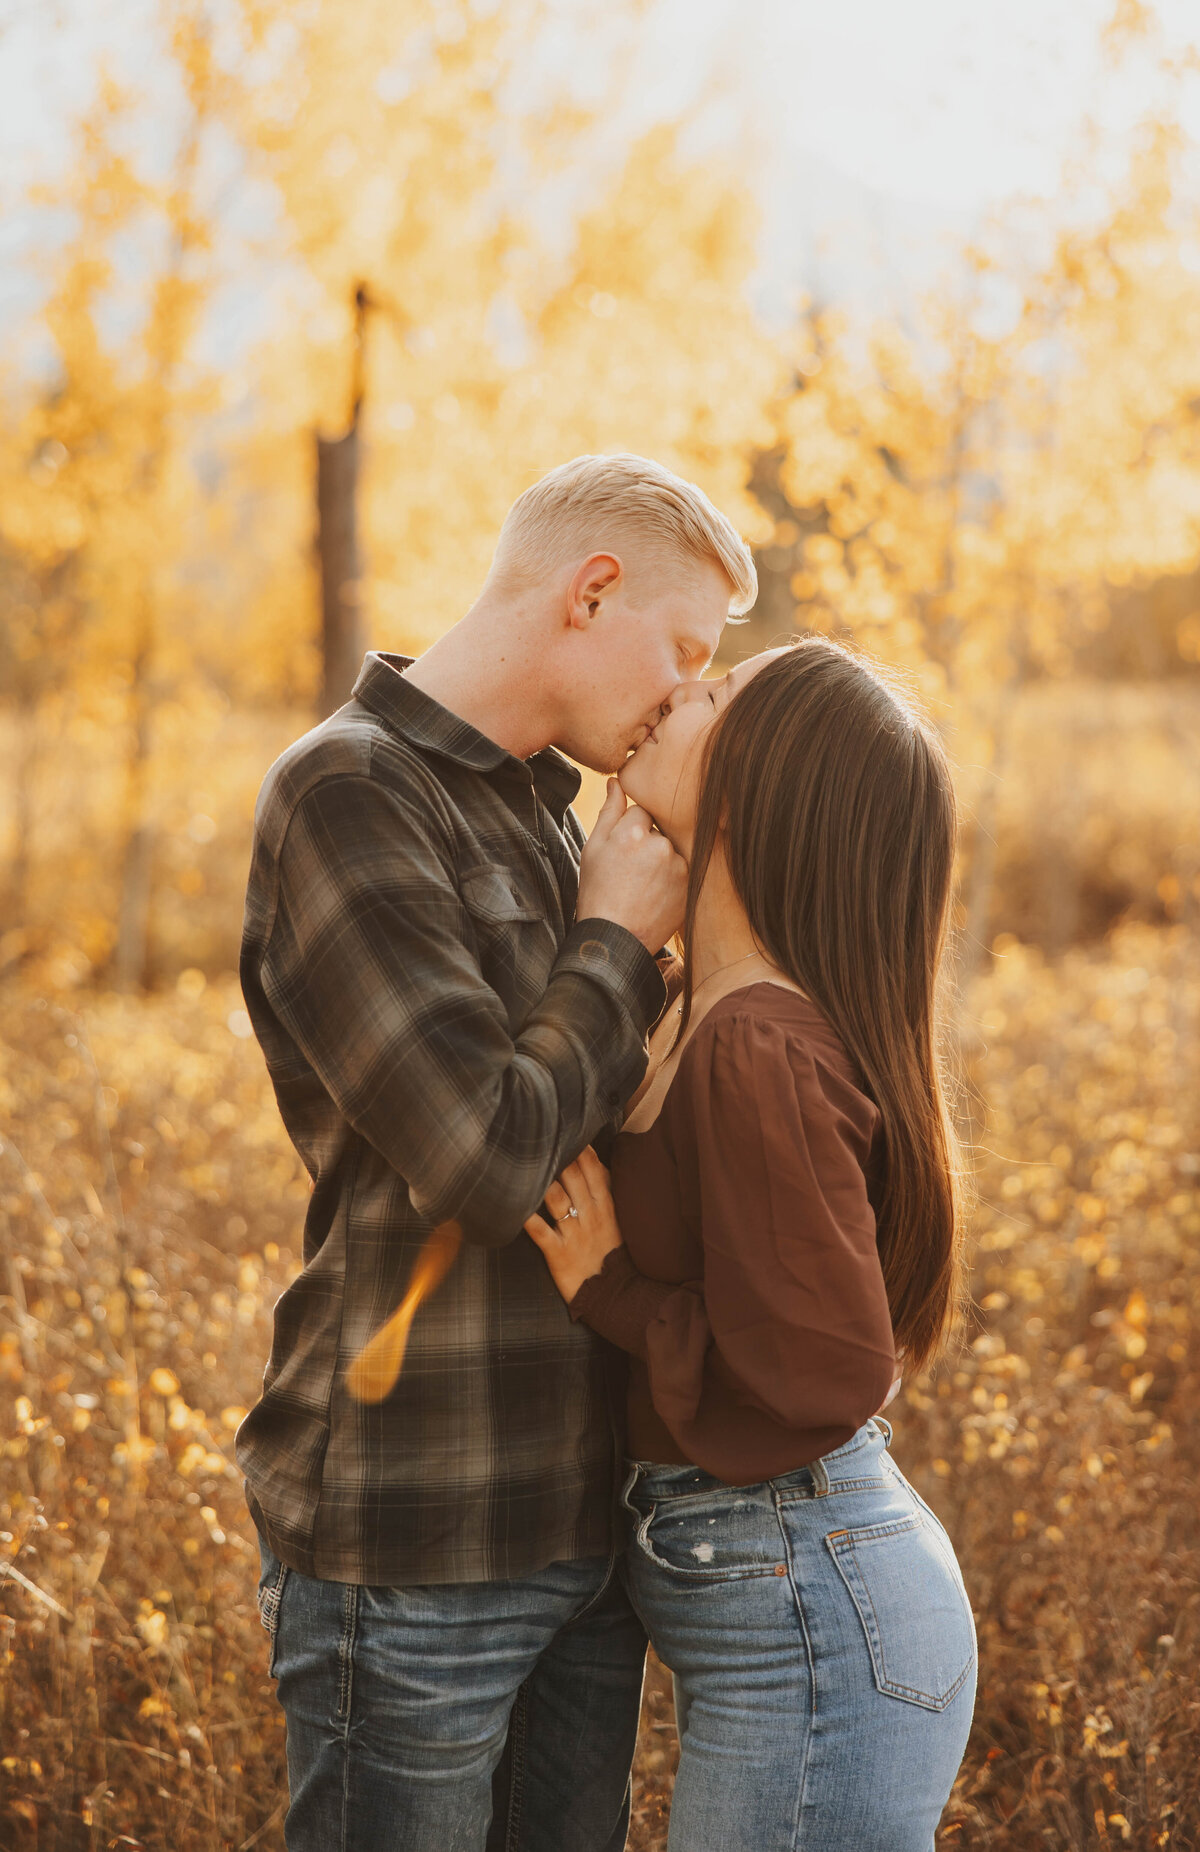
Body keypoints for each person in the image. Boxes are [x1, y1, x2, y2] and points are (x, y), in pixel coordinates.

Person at [236, 453, 757, 1851]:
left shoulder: (548, 807)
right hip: (418, 1534)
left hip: (586, 1527)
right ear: (592, 591)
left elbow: (606, 1114)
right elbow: (485, 1154)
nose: (686, 690)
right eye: (685, 650)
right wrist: (614, 945)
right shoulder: (348, 792)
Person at [526, 635, 978, 1851]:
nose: (680, 689)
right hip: (807, 1606)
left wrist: (613, 1294)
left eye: (717, 695)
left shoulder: (755, 1045)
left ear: (768, 783)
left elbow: (831, 1371)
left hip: (819, 1621)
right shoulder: (704, 1011)